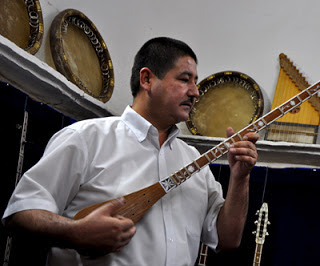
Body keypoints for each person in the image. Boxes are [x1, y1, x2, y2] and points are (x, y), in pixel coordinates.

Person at [2, 37, 259, 265]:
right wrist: (74, 232)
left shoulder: (194, 161)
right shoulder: (85, 138)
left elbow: (227, 238)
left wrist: (240, 178)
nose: (195, 92)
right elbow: (20, 214)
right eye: (184, 79)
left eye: (195, 82)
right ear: (147, 79)